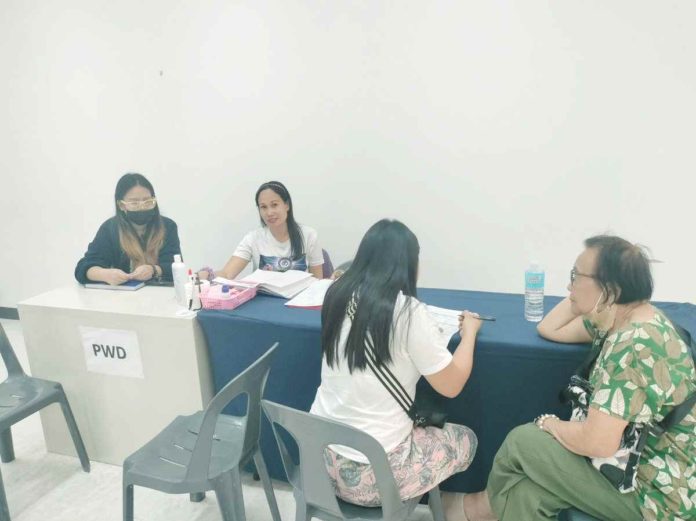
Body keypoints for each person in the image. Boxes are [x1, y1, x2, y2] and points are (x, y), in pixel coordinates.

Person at [462, 235, 696, 521]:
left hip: (656, 494)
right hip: (632, 467)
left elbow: (598, 443)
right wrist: (581, 296)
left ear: (609, 288)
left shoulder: (634, 346)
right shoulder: (626, 317)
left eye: (575, 275)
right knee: (528, 495)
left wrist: (548, 424)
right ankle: (481, 511)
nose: (568, 285)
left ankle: (476, 511)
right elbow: (549, 328)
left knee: (523, 441)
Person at [310, 219, 480, 510]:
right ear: (408, 264)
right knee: (466, 439)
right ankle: (450, 505)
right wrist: (470, 334)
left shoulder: (335, 295)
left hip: (318, 463)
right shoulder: (409, 314)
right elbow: (451, 385)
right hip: (372, 479)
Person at [199, 181, 324, 280]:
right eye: (263, 207)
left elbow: (317, 281)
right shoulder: (253, 238)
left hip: (297, 304)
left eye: (274, 205)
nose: (269, 212)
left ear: (287, 205)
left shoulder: (309, 236)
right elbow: (227, 274)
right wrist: (208, 275)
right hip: (261, 306)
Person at [75, 173, 182, 285]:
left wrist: (153, 270)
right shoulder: (110, 228)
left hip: (160, 295)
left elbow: (175, 266)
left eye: (148, 202)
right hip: (121, 298)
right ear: (121, 205)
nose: (142, 207)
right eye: (134, 203)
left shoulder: (168, 226)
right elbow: (83, 267)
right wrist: (105, 274)